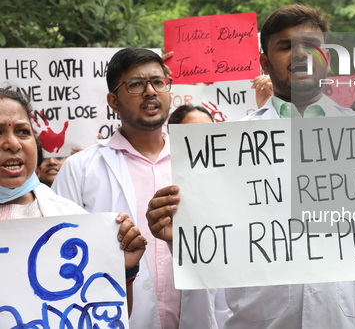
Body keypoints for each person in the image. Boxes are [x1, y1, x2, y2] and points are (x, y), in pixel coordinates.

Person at [148, 4, 355, 328]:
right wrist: (180, 237)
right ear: (265, 62)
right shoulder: (227, 148)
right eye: (285, 46)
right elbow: (218, 245)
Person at [52, 49, 228, 329]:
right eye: (135, 84)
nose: (150, 91)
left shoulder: (206, 161)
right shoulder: (80, 169)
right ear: (113, 101)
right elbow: (58, 252)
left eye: (158, 82)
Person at [0, 85, 146, 314]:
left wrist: (121, 270)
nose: (12, 144)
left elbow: (108, 316)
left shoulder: (75, 220)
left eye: (22, 131)